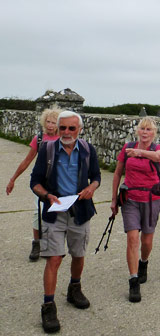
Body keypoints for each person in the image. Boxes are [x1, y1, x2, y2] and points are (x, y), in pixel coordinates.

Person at [30, 111, 101, 333]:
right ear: (58, 129)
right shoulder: (48, 150)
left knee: (78, 255)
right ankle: (48, 305)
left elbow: (96, 176)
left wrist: (91, 188)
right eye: (63, 128)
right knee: (53, 259)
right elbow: (35, 182)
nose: (67, 133)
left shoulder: (88, 150)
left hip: (80, 211)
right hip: (54, 212)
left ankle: (74, 288)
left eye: (72, 128)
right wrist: (46, 196)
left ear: (80, 129)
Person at [111, 117, 160, 303]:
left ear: (154, 133)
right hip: (130, 199)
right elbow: (118, 173)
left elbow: (159, 158)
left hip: (151, 199)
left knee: (147, 240)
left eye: (149, 129)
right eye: (142, 128)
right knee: (132, 238)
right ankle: (133, 280)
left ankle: (144, 263)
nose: (145, 132)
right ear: (137, 131)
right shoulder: (127, 149)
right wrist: (113, 200)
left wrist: (140, 153)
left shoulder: (157, 149)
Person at [6, 107, 61, 261]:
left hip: (58, 183)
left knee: (57, 212)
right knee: (38, 213)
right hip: (40, 182)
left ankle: (51, 244)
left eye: (54, 122)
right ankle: (36, 243)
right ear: (44, 122)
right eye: (48, 122)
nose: (50, 125)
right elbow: (27, 160)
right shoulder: (39, 139)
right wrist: (13, 179)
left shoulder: (63, 139)